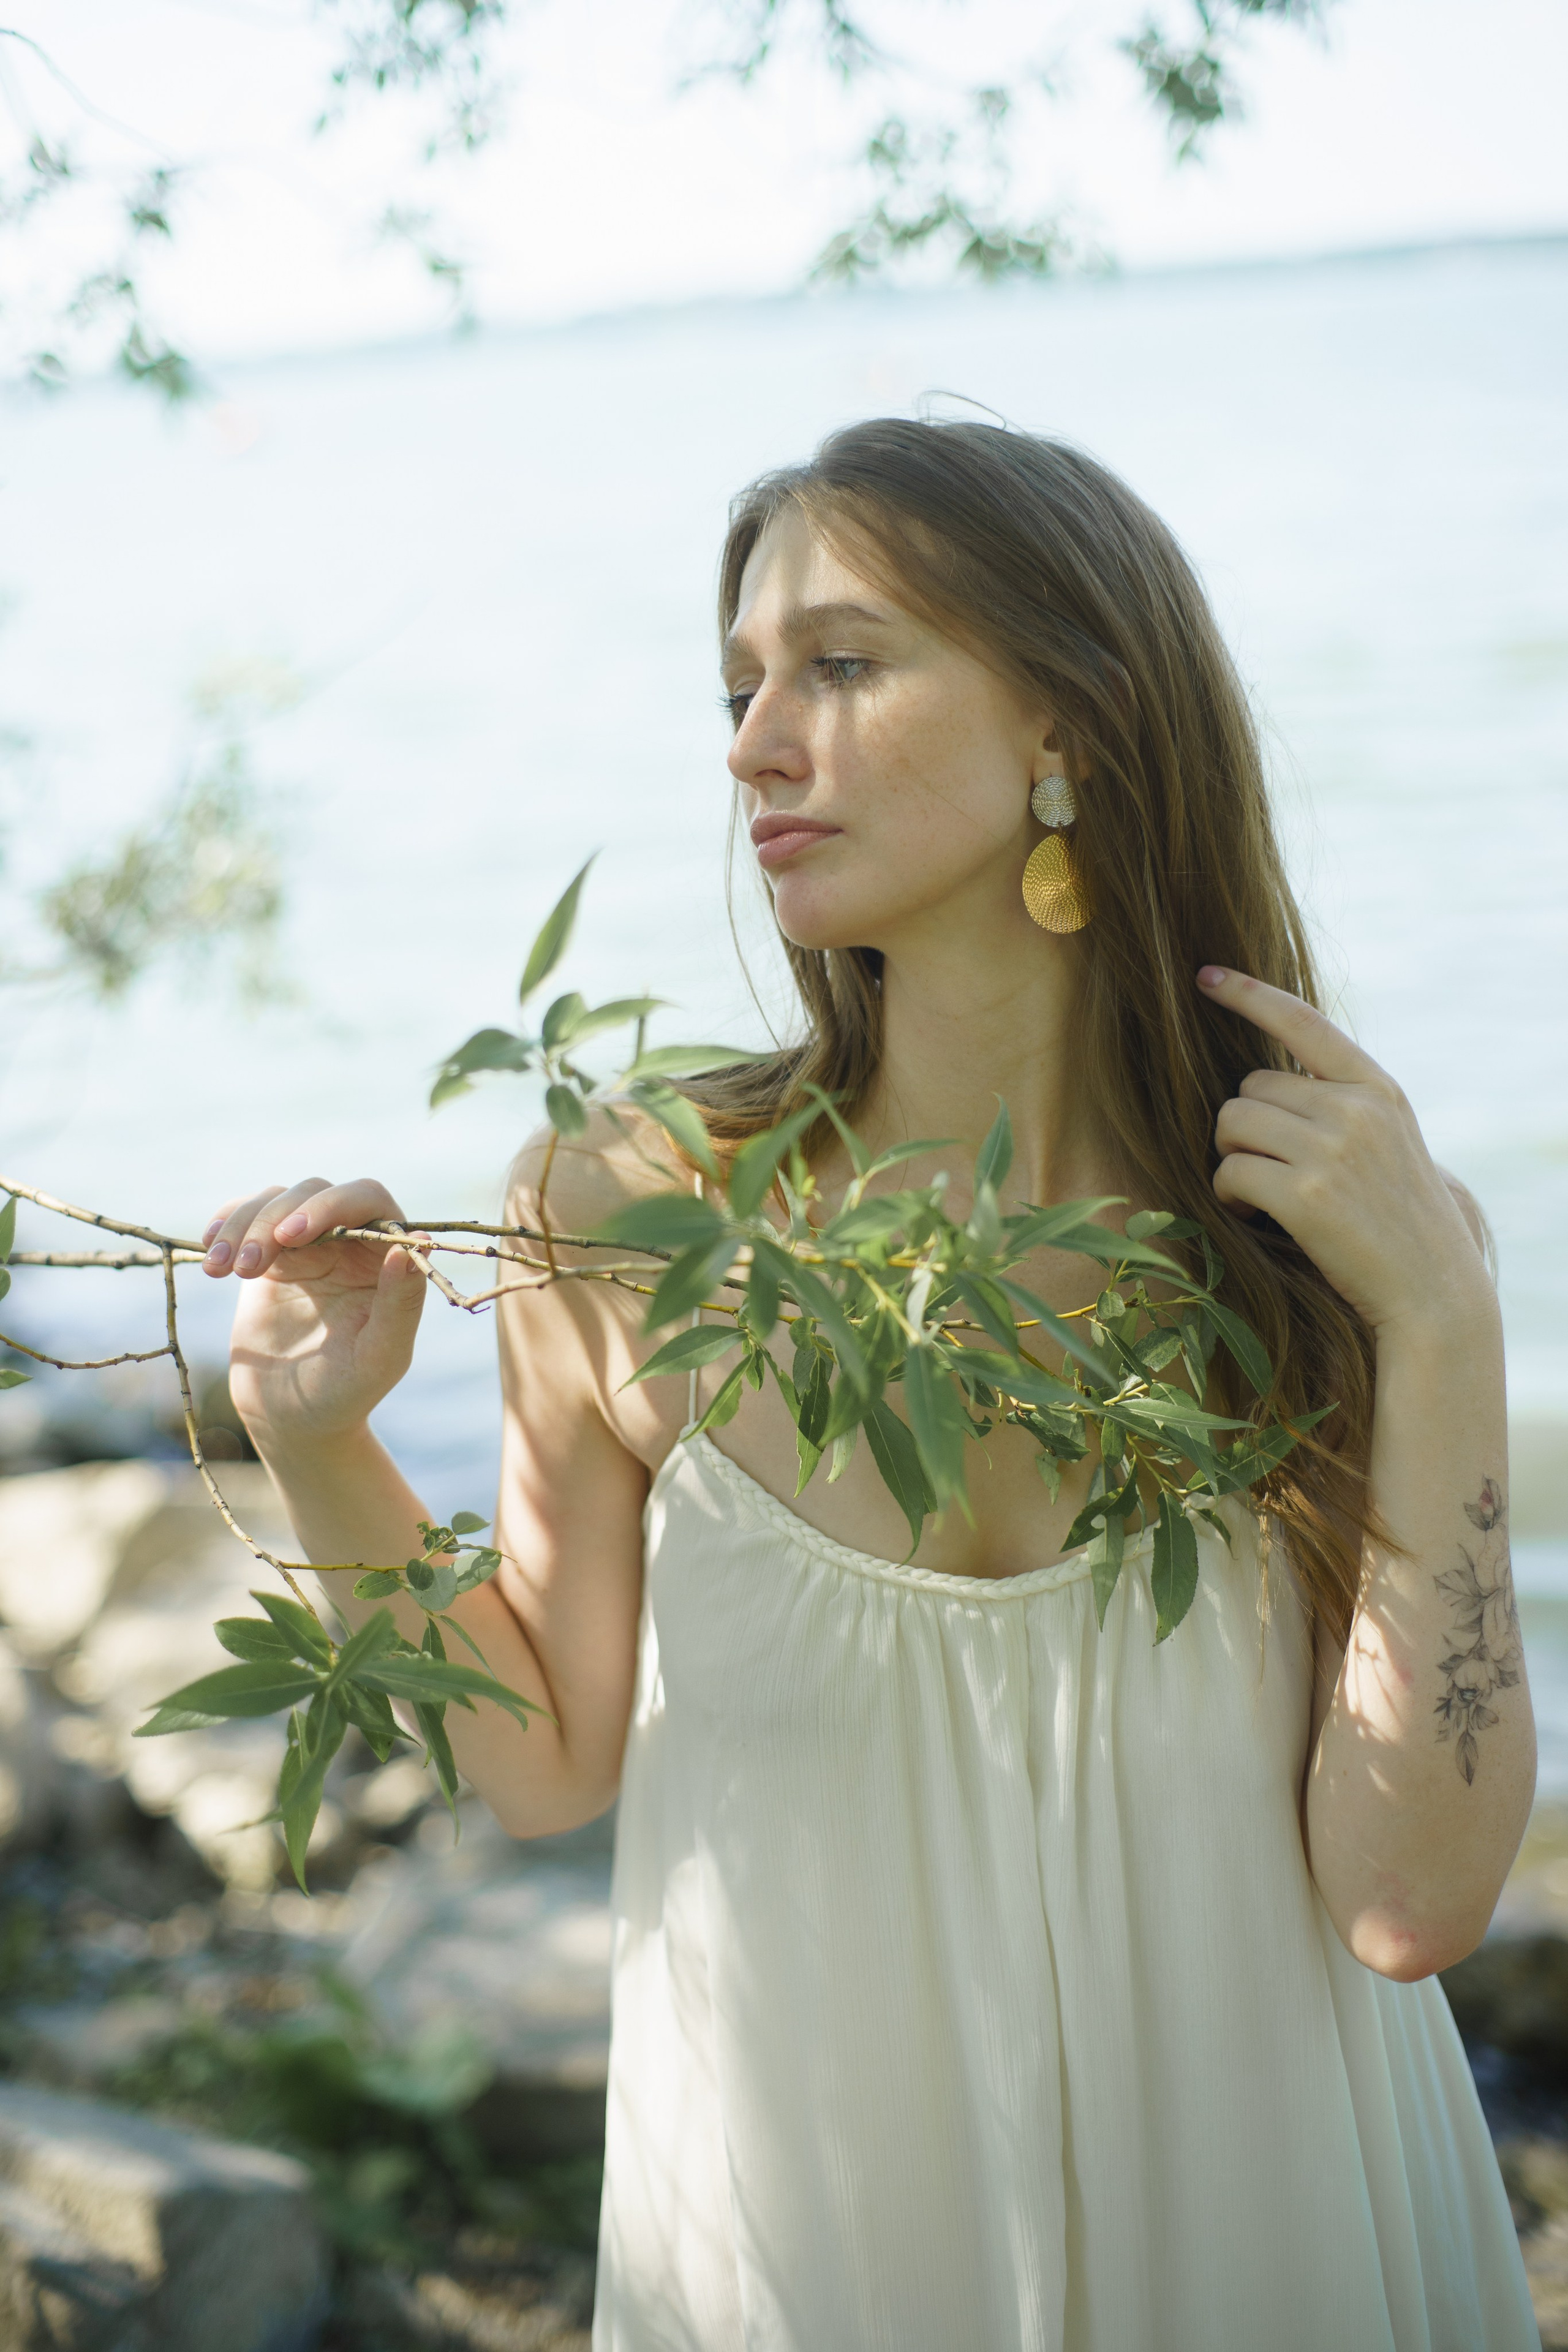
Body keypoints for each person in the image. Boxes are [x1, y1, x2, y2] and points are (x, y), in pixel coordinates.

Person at [201, 419, 1539, 2351]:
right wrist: (321, 1451)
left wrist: (1446, 1330)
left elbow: (1411, 1905)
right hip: (806, 2256)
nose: (754, 745)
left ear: (1072, 721)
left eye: (840, 663)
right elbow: (541, 1758)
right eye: (741, 686)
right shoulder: (628, 1214)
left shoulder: (1328, 1250)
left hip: (1271, 2239)